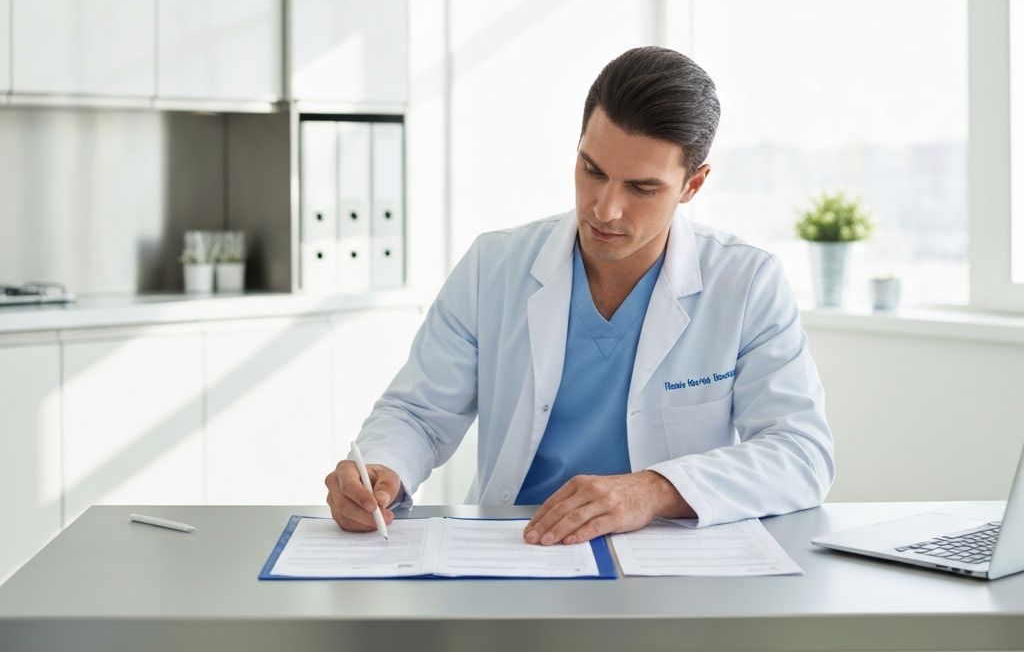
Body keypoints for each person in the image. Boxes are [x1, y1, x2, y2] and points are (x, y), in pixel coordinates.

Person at [325, 47, 835, 547]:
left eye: (641, 188)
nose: (605, 209)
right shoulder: (493, 266)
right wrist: (381, 470)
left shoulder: (746, 284)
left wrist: (653, 491)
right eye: (592, 171)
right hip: (515, 551)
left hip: (664, 560)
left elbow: (800, 453)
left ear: (692, 185)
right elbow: (418, 414)